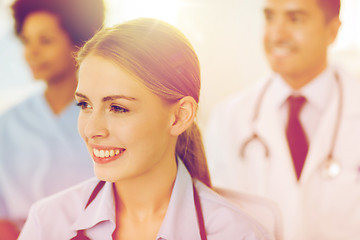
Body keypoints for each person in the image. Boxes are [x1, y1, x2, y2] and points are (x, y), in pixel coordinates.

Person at [18, 18, 272, 240]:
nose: (92, 129)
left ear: (179, 116)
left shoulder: (238, 234)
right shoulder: (48, 223)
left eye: (117, 108)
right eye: (84, 104)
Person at [205, 0, 360, 239]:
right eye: (269, 17)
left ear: (332, 31)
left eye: (294, 18)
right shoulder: (228, 118)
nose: (276, 34)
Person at [0, 0, 104, 237]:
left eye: (45, 40)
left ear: (79, 42)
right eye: (26, 41)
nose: (31, 52)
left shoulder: (108, 117)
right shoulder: (7, 125)